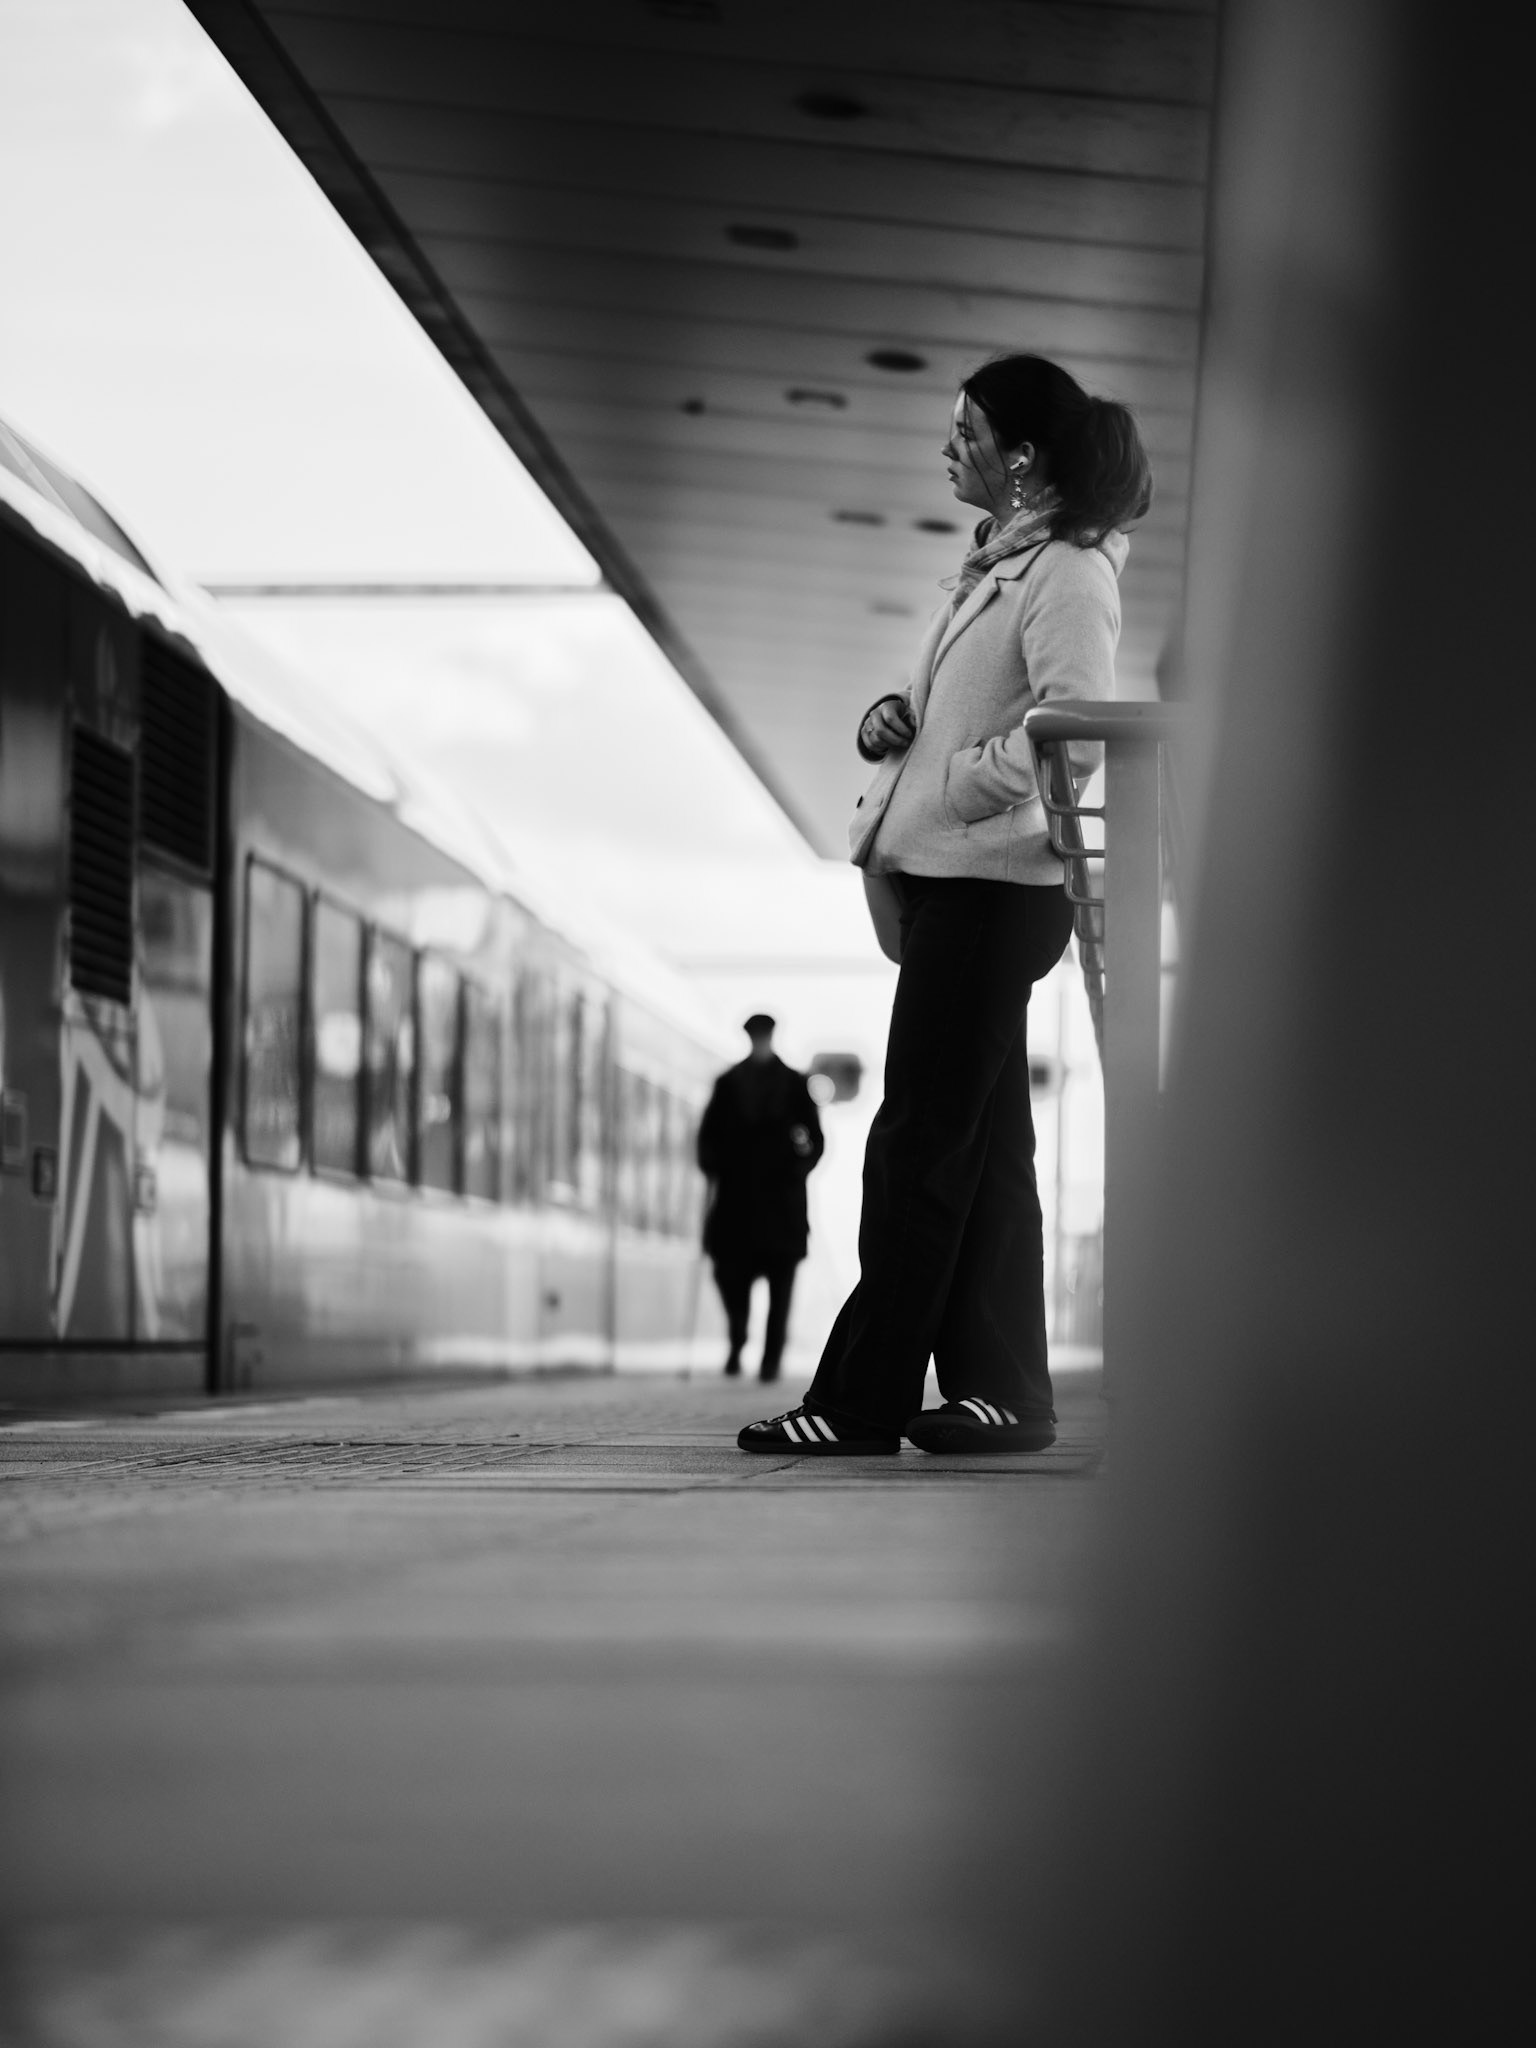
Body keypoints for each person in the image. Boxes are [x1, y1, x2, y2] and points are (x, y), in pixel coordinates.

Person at [739, 352, 1151, 1456]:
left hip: (994, 885)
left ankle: (861, 1399)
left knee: (916, 1144)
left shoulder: (1068, 572)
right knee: (987, 1153)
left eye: (964, 431)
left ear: (1020, 457)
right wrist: (896, 719)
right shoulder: (994, 568)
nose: (946, 449)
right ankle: (1006, 1390)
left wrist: (967, 779)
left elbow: (1076, 717)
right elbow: (960, 704)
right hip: (958, 886)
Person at [697, 1014, 824, 1382]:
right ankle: (738, 1338)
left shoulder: (796, 1086)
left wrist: (798, 1168)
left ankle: (771, 1360)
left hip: (781, 1202)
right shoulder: (728, 1084)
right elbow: (708, 1138)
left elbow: (816, 1141)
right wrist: (714, 1165)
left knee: (781, 1285)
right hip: (738, 1201)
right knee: (731, 1276)